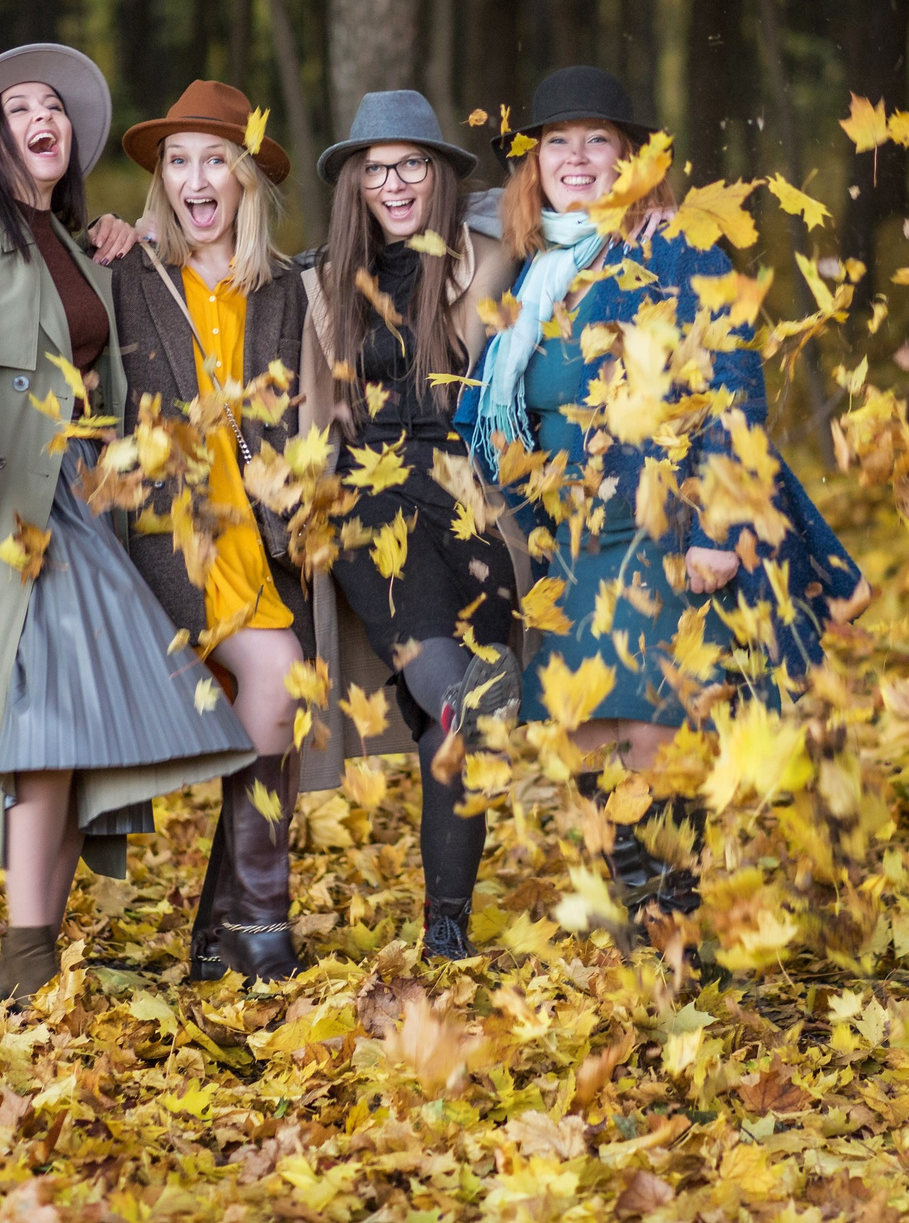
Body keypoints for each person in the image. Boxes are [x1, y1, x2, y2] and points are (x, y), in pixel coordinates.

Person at [0, 44, 257, 1006]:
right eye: (20, 107)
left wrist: (120, 247)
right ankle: (26, 952)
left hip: (77, 490)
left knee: (66, 719)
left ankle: (33, 950)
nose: (42, 117)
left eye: (53, 104)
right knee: (40, 718)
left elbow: (114, 347)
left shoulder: (82, 240)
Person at [461, 65, 870, 935]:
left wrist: (720, 523)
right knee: (581, 733)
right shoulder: (528, 262)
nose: (576, 158)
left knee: (654, 727)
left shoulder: (674, 242)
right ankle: (631, 904)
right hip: (564, 537)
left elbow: (733, 381)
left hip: (661, 520)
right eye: (556, 142)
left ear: (630, 157)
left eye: (596, 141)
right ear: (532, 164)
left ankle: (669, 918)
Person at [300, 91, 523, 961]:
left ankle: (447, 926)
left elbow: (566, 211)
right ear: (355, 183)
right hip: (364, 494)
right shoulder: (320, 278)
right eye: (378, 168)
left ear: (439, 176)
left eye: (413, 164)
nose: (394, 183)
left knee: (452, 721)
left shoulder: (490, 256)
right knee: (455, 690)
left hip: (469, 493)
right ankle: (468, 698)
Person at [110, 79, 318, 984]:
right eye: (179, 161)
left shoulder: (287, 289)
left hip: (263, 540)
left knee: (283, 692)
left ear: (245, 182)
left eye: (215, 162)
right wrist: (109, 236)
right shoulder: (128, 272)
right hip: (167, 544)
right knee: (277, 683)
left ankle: (227, 930)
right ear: (163, 181)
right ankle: (258, 925)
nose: (196, 179)